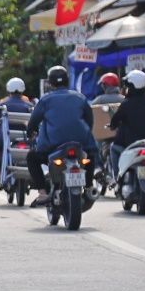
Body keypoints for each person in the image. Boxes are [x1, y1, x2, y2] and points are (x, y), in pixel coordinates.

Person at [27, 65, 98, 207]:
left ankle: (42, 193)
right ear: (67, 81)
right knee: (90, 155)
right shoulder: (80, 98)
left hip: (53, 145)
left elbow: (34, 121)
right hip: (80, 143)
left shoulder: (46, 100)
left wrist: (31, 133)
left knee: (31, 157)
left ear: (50, 83)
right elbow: (89, 121)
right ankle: (89, 186)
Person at [106, 68, 145, 174]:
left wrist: (111, 125)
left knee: (114, 149)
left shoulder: (126, 104)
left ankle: (117, 176)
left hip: (130, 143)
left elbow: (115, 122)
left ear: (131, 86)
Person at [0, 76, 33, 182]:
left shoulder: (3, 105)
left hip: (4, 139)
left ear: (8, 90)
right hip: (25, 139)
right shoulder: (29, 105)